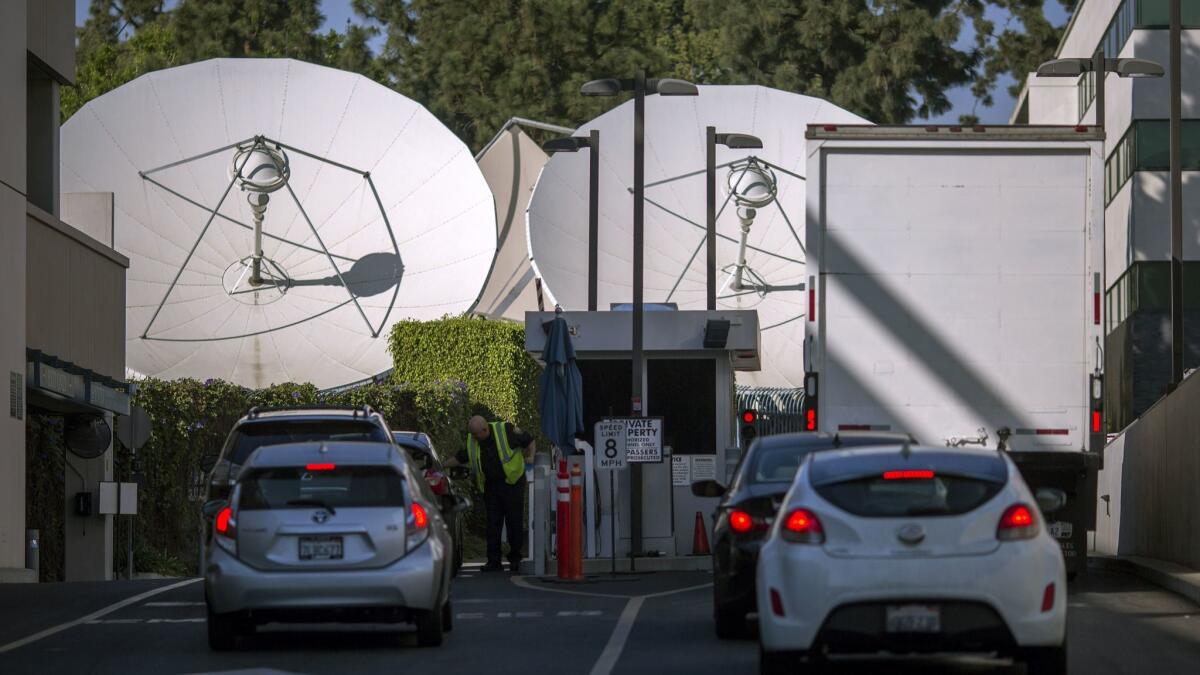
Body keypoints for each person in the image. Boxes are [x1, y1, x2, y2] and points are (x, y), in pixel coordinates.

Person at [445, 415, 536, 572]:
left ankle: (515, 558)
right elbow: (461, 457)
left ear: (485, 429)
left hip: (512, 483)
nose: (474, 438)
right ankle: (494, 561)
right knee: (493, 524)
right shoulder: (473, 441)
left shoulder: (506, 430)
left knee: (514, 521)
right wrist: (442, 465)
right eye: (472, 434)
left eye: (476, 434)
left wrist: (531, 456)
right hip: (492, 486)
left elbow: (529, 441)